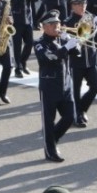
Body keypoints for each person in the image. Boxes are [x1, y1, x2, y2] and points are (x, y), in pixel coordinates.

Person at [34, 10, 78, 162]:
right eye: (52, 24)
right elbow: (50, 57)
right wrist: (66, 47)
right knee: (49, 121)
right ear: (44, 27)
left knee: (70, 117)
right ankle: (50, 150)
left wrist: (69, 40)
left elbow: (76, 53)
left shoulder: (61, 40)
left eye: (58, 24)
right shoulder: (40, 43)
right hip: (49, 87)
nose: (56, 27)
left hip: (66, 86)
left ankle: (52, 140)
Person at [64, 0, 97, 127]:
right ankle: (76, 115)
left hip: (90, 59)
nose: (83, 6)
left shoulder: (90, 17)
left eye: (84, 3)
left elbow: (92, 36)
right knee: (75, 90)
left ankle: (81, 109)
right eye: (79, 4)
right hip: (76, 62)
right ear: (72, 6)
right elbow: (67, 42)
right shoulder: (68, 22)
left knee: (95, 87)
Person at [6, 0, 39, 78]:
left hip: (27, 20)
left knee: (30, 43)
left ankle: (23, 62)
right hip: (16, 20)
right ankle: (18, 68)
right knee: (17, 45)